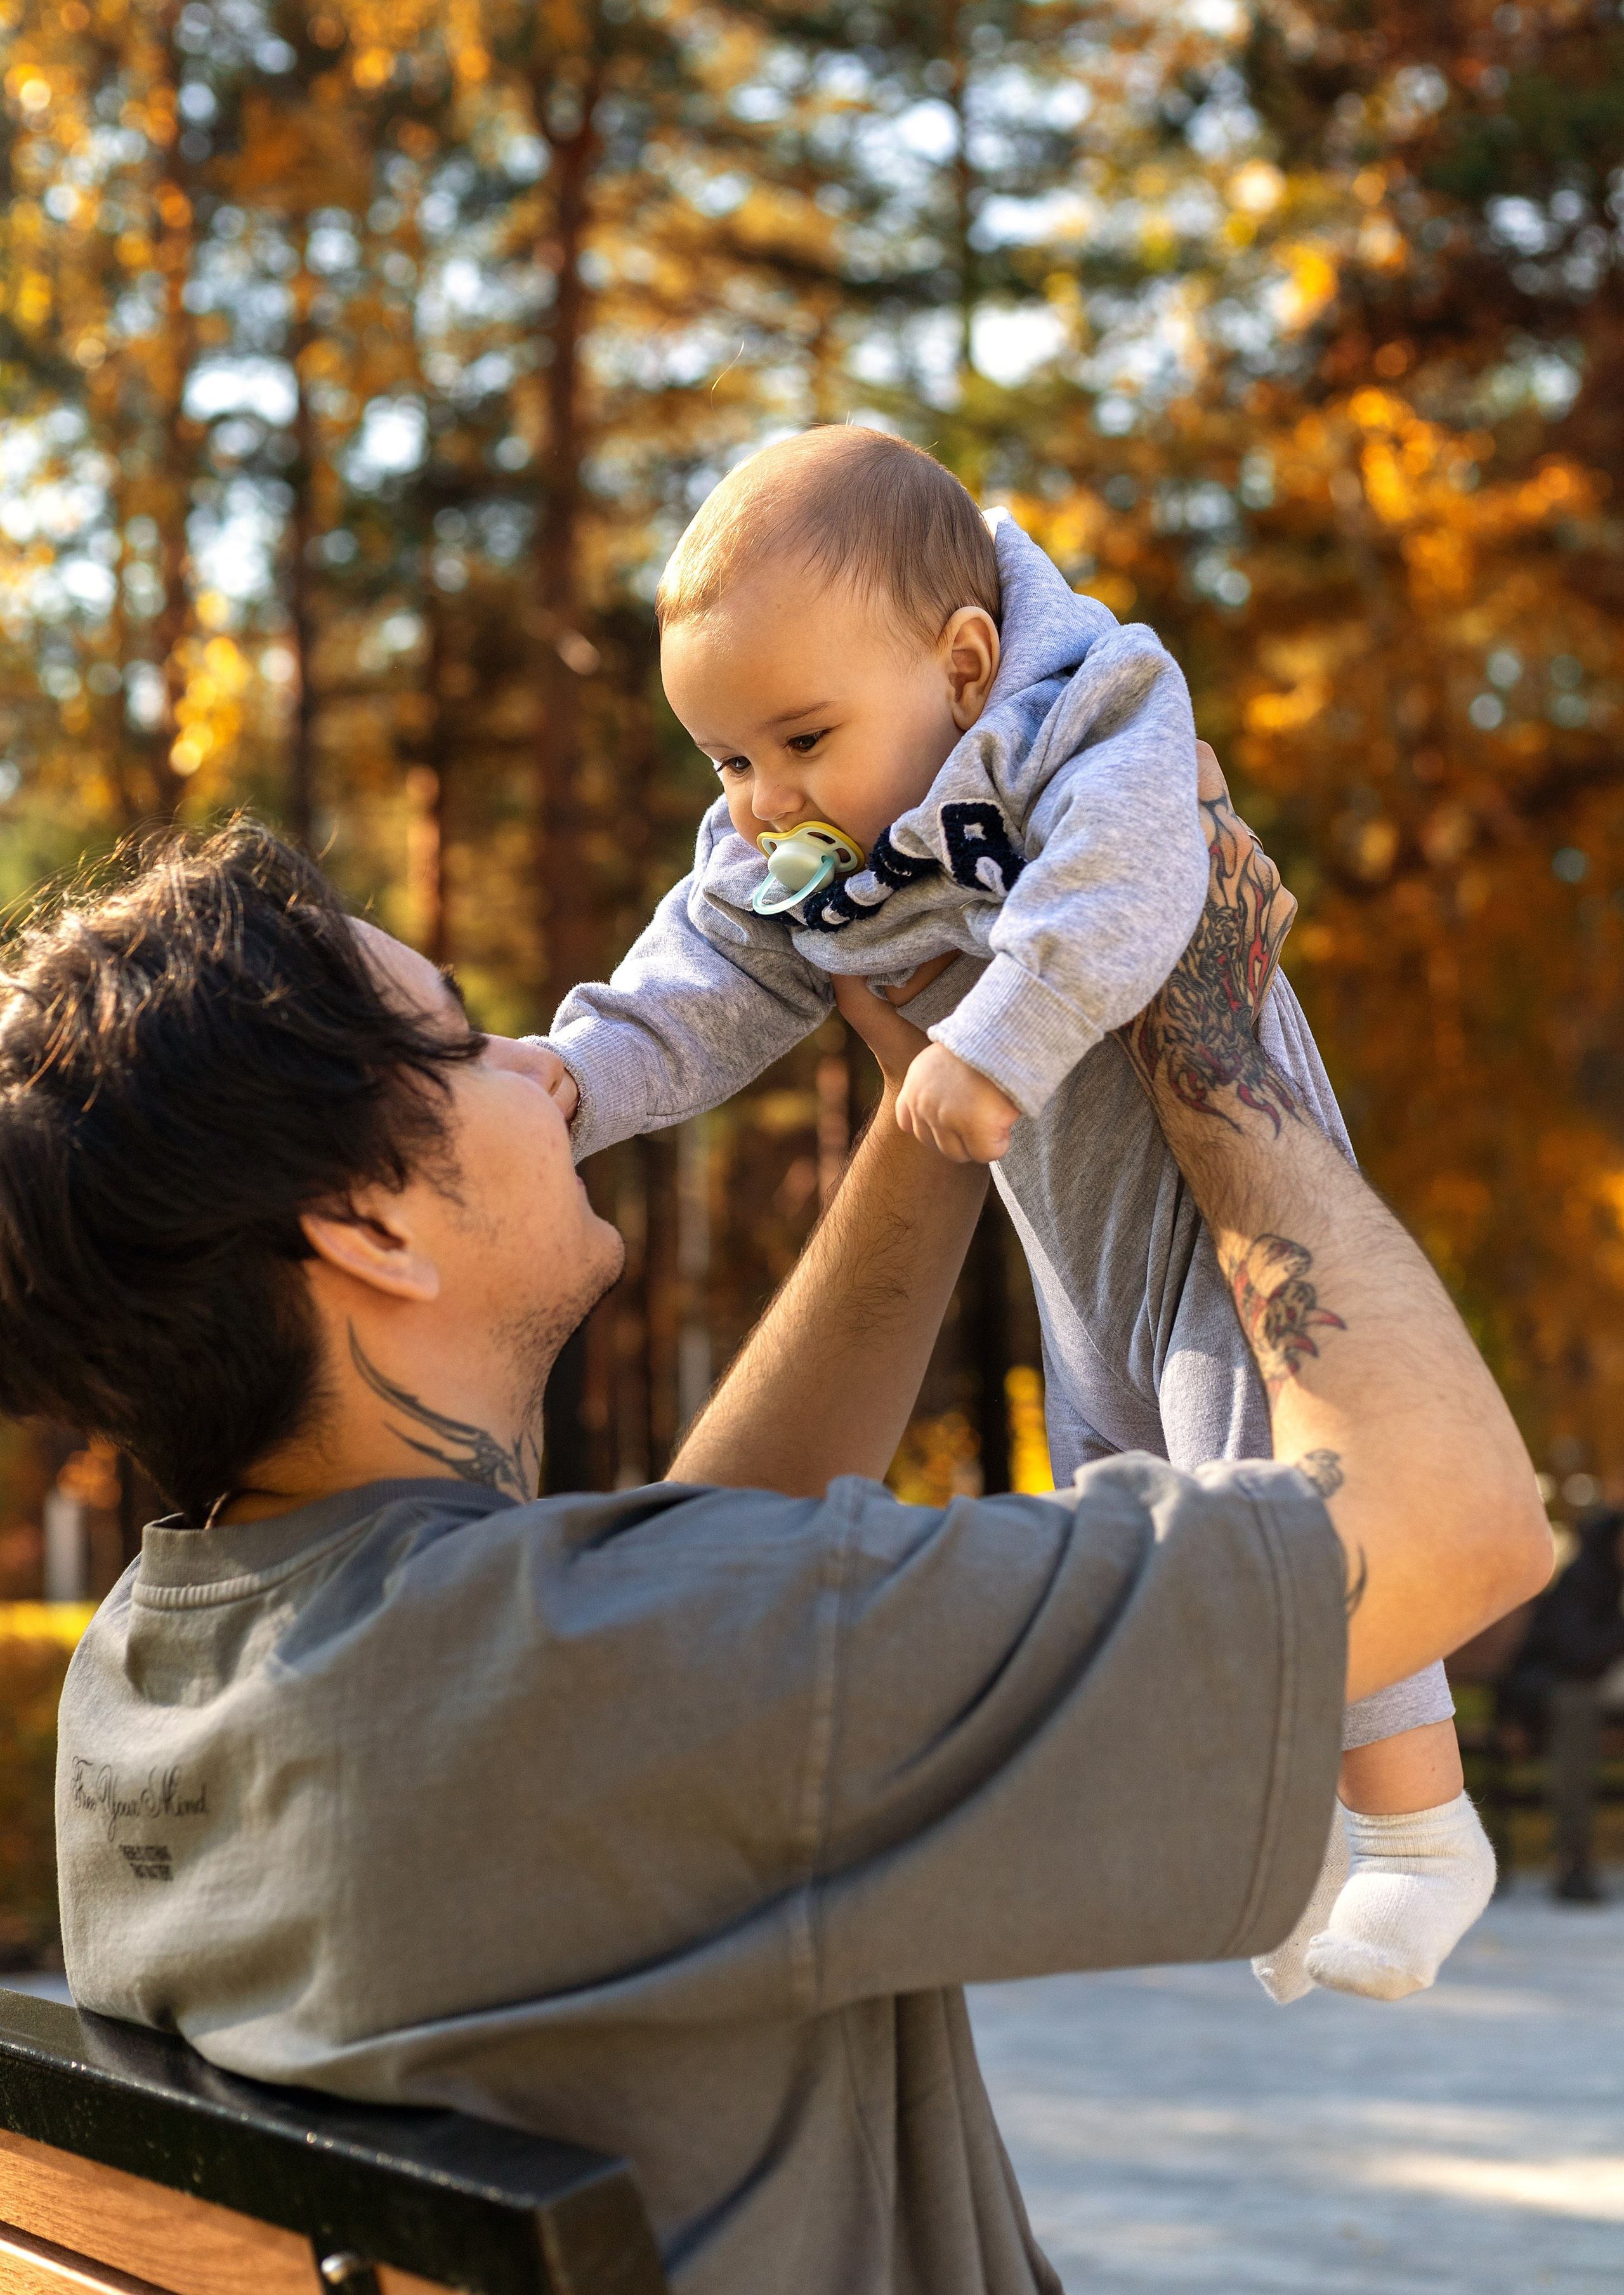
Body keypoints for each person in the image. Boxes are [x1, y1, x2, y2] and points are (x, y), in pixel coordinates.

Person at [13, 807, 1547, 2295]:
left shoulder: (157, 1679)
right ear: (364, 1222)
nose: (542, 1073)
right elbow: (1448, 1521)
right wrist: (1208, 1023)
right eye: (466, 1039)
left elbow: (671, 1650)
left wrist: (936, 1113)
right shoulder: (627, 1676)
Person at [537, 425, 1490, 2002]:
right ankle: (1279, 1839)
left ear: (964, 661)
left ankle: (1418, 1833)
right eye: (724, 760)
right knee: (1134, 1510)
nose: (764, 801)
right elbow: (699, 963)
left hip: (1226, 1204)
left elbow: (1130, 877)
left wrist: (998, 1036)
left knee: (1273, 1484)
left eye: (795, 741)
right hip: (1080, 1236)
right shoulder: (810, 839)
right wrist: (579, 1078)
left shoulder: (1084, 711)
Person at [1503, 1509, 1624, 1902]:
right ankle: (1573, 1861)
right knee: (1575, 1711)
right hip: (1569, 1692)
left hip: (1601, 1692)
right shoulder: (1585, 1581)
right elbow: (1578, 1657)